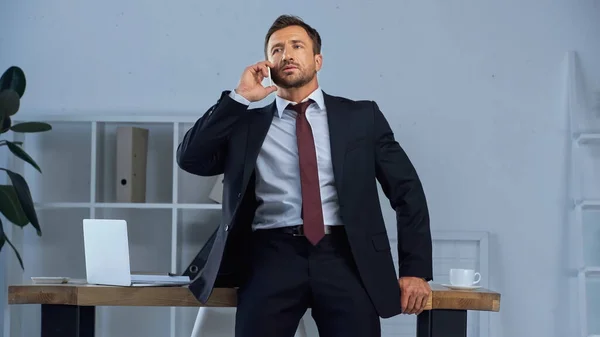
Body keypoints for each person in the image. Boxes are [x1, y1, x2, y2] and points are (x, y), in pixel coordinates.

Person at [177, 14, 433, 337]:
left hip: (346, 256)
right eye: (276, 49)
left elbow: (407, 191)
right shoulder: (246, 125)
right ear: (268, 64)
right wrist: (239, 97)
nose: (287, 54)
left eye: (297, 46)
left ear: (317, 59)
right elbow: (190, 158)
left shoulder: (361, 118)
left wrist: (415, 270)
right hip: (271, 256)